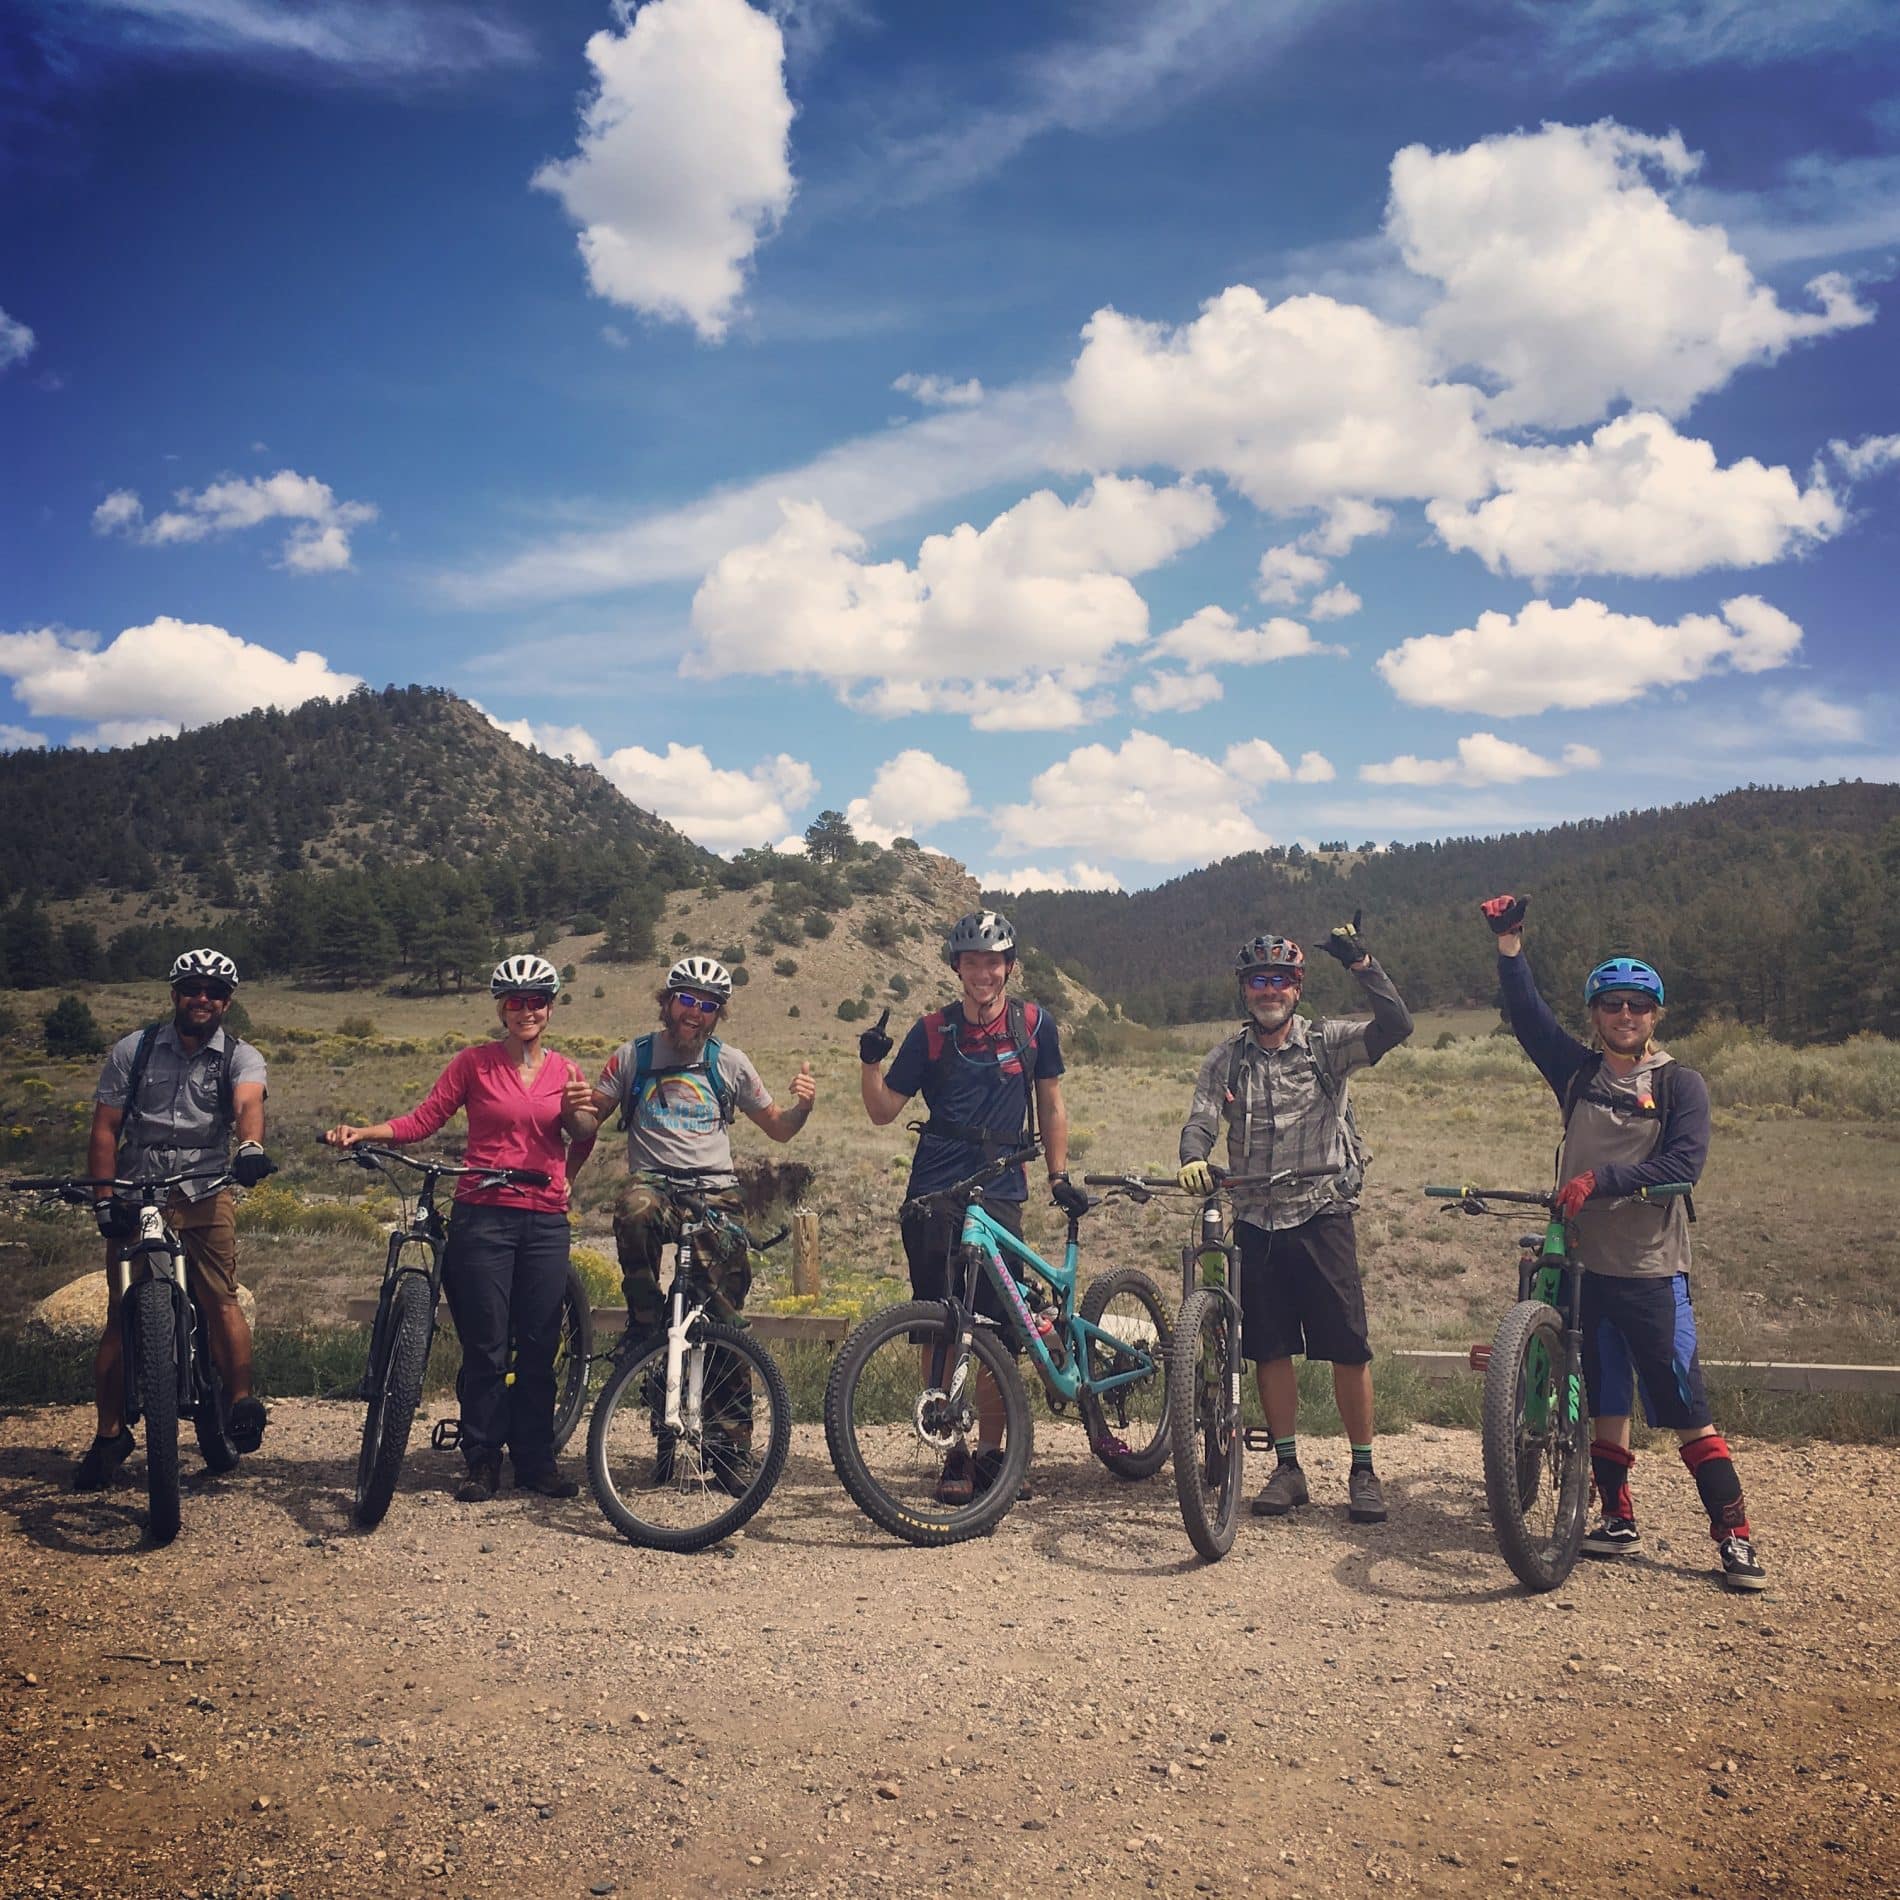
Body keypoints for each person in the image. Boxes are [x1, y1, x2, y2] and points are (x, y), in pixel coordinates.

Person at [1481, 893, 1766, 1592]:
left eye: (1638, 1005)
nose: (1626, 1016)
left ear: (1655, 1015)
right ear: (1597, 1014)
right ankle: (1616, 1517)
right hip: (1582, 1269)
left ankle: (1734, 1538)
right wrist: (1510, 945)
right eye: (1612, 1005)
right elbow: (1526, 1019)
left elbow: (1681, 1167)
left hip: (1649, 1269)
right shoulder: (1577, 1073)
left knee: (1684, 1406)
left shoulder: (1679, 1086)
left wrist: (1601, 1177)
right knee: (1604, 1397)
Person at [324, 954, 594, 1502]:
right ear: (500, 1007)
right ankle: (481, 1459)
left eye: (536, 1000)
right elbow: (424, 1120)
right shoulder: (474, 1064)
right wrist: (365, 1132)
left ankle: (537, 1460)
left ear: (550, 1007)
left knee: (540, 1341)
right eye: (515, 1001)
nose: (526, 1010)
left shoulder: (566, 1071)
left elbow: (584, 1131)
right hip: (483, 1213)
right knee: (486, 1344)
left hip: (544, 1218)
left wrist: (568, 1175)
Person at [1176, 916, 1412, 1525]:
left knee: (1348, 1348)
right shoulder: (1226, 1059)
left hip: (1321, 1210)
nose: (1269, 990)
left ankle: (1363, 1469)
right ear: (1244, 990)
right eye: (1258, 980)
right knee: (1270, 1348)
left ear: (1298, 988)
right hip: (1255, 1216)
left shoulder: (1325, 1044)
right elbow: (1201, 1117)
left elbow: (1396, 1026)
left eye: (1280, 979)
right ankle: (1288, 1468)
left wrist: (1363, 964)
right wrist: (1193, 1158)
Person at [858, 909, 1085, 1503]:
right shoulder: (932, 1030)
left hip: (1002, 1187)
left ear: (1009, 966)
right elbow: (883, 1111)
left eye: (992, 962)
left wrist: (1058, 1175)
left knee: (994, 1327)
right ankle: (951, 1451)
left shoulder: (1035, 1025)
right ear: (956, 967)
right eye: (971, 962)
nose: (982, 973)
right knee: (939, 1323)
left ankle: (992, 1456)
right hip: (935, 1187)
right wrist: (869, 1061)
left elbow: (1052, 1103)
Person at [584, 956, 816, 1477]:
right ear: (667, 1001)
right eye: (687, 1000)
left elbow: (778, 1128)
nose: (695, 1013)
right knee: (634, 1209)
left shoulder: (729, 1063)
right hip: (656, 1185)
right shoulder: (633, 1057)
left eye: (708, 1006)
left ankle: (729, 1448)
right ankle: (644, 1322)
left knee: (726, 1319)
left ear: (718, 1016)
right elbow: (588, 1119)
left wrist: (803, 1107)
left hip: (715, 1195)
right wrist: (572, 1110)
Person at [78, 948, 275, 1490]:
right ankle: (110, 1433)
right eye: (193, 989)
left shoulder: (239, 1054)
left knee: (220, 1297)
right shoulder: (134, 1050)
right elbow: (104, 1128)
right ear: (175, 995)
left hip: (205, 1189)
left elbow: (247, 1103)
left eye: (214, 992)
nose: (202, 999)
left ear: (227, 1002)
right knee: (121, 1318)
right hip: (137, 1190)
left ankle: (238, 1403)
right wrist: (103, 1199)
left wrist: (251, 1146)